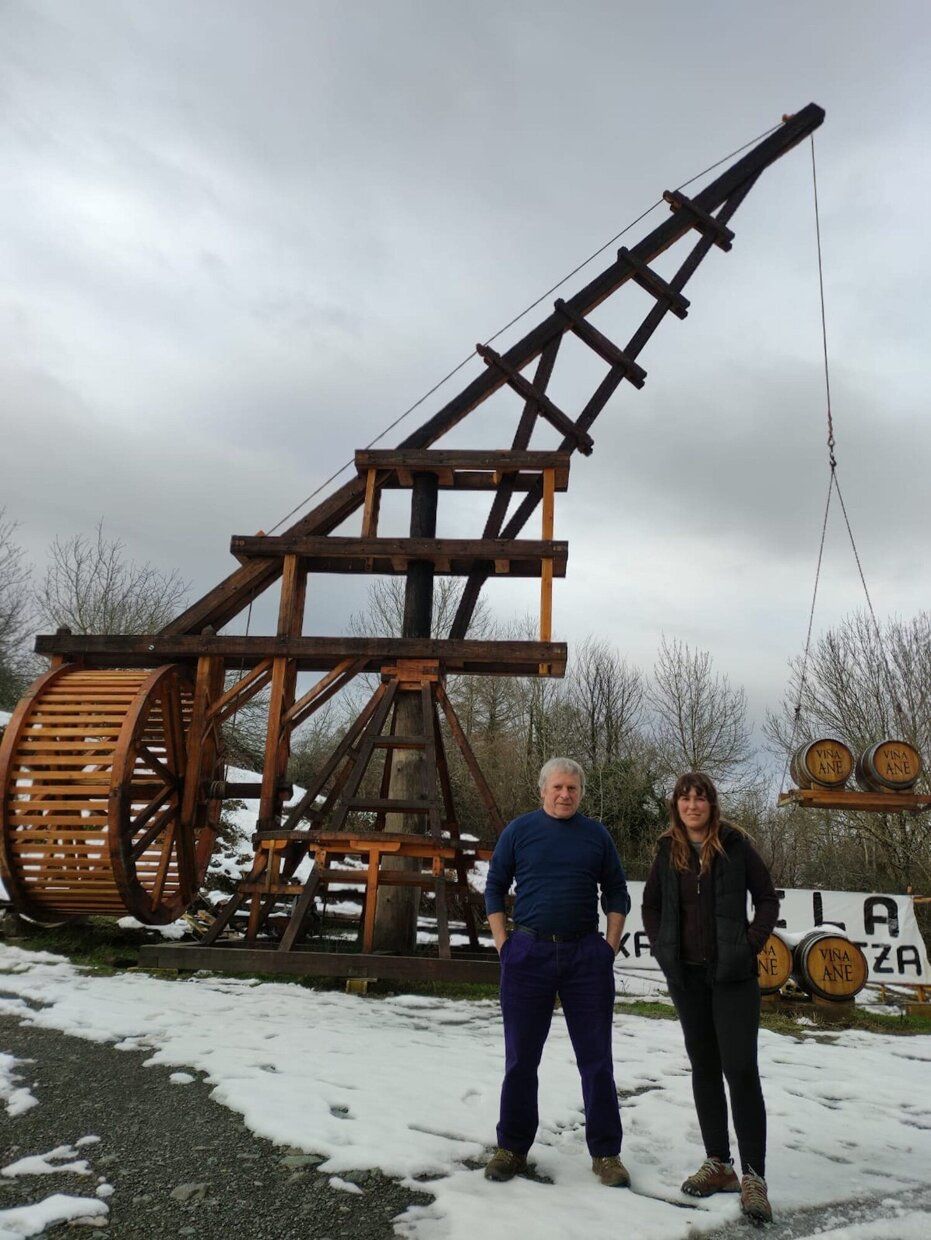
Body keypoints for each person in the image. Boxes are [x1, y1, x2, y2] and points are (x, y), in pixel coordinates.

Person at [482, 757, 631, 1188]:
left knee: (597, 1060)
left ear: (580, 793)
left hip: (585, 957)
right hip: (527, 955)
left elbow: (616, 890)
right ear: (543, 789)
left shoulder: (596, 835)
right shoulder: (519, 831)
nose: (565, 794)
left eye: (573, 788)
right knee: (520, 1058)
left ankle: (606, 1154)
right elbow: (494, 887)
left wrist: (609, 947)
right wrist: (504, 944)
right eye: (558, 787)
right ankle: (511, 1148)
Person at [641, 771, 779, 1225]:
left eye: (700, 798)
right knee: (703, 1067)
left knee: (740, 1070)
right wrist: (663, 948)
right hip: (688, 977)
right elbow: (651, 905)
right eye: (685, 798)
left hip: (733, 977)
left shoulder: (736, 845)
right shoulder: (667, 849)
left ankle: (754, 1177)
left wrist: (748, 944)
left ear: (711, 804)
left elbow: (766, 899)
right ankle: (718, 1163)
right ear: (676, 806)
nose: (692, 805)